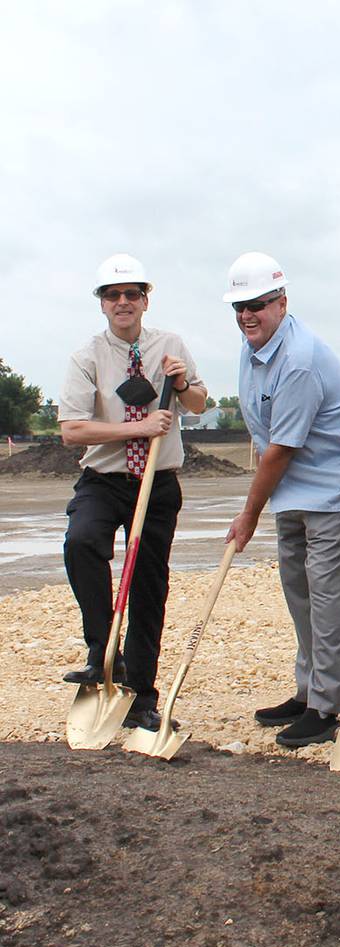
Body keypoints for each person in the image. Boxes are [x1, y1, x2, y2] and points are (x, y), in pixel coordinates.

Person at [59, 254, 208, 730]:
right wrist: (138, 427)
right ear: (102, 303)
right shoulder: (86, 357)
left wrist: (181, 382)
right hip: (104, 481)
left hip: (157, 485)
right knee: (81, 542)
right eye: (112, 295)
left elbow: (199, 405)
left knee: (147, 587)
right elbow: (72, 430)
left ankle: (142, 696)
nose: (122, 302)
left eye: (131, 294)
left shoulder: (170, 346)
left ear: (145, 299)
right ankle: (104, 653)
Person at [223, 252, 340, 748]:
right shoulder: (251, 348)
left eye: (257, 305)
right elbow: (262, 436)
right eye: (239, 307)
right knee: (300, 595)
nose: (247, 316)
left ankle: (326, 709)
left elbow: (281, 449)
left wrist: (247, 515)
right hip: (291, 495)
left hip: (331, 492)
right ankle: (310, 692)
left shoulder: (300, 359)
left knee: (328, 601)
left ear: (281, 302)